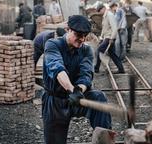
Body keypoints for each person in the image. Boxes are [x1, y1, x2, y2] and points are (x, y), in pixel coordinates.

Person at [42, 15, 112, 144]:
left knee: (98, 97)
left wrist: (79, 89)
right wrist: (71, 89)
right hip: (55, 101)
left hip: (77, 97)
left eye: (85, 35)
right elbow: (57, 68)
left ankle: (104, 140)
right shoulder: (52, 44)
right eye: (78, 35)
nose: (82, 39)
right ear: (68, 29)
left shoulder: (86, 50)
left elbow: (86, 73)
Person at [94, 2, 125, 73]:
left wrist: (112, 38)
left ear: (104, 8)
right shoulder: (105, 16)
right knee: (112, 54)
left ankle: (96, 68)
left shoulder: (109, 15)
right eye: (98, 11)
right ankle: (121, 69)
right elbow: (105, 28)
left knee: (99, 50)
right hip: (106, 37)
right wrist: (101, 37)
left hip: (109, 37)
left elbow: (114, 28)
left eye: (100, 10)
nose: (99, 12)